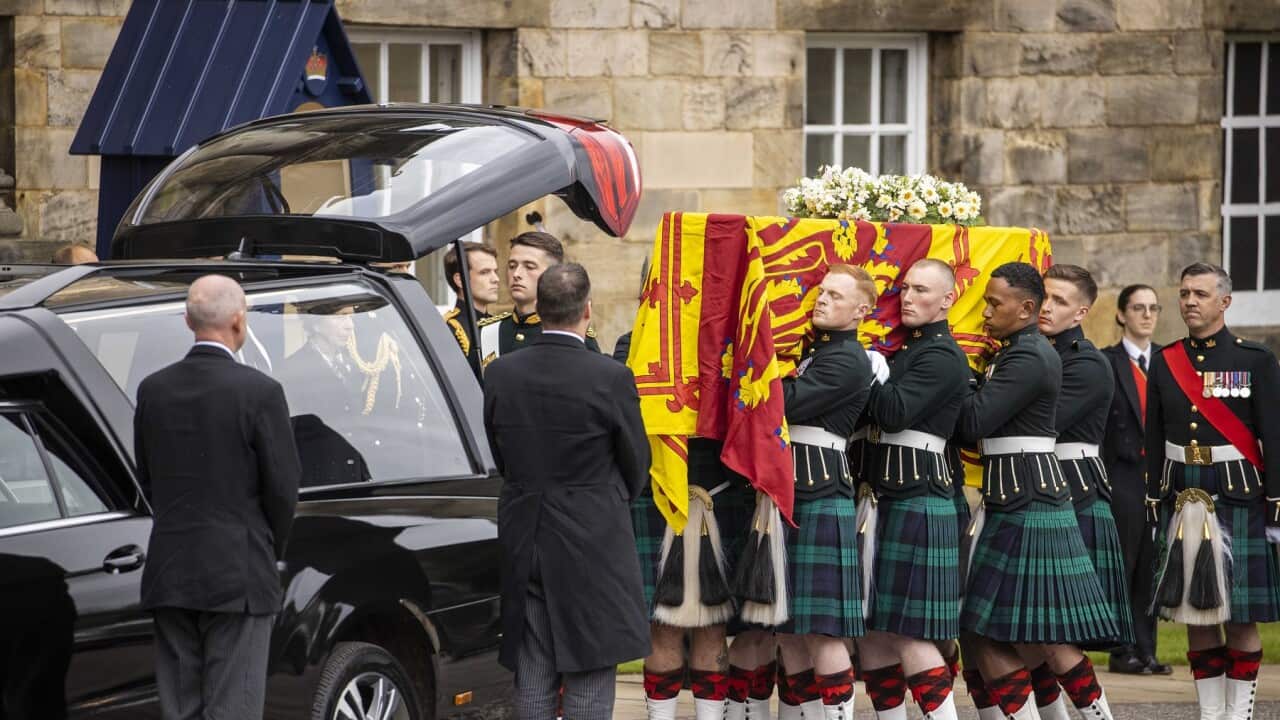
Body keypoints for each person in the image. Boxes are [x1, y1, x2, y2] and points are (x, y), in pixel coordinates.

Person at [483, 263, 651, 720]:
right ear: (587, 311)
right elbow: (637, 461)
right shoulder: (609, 376)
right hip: (591, 536)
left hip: (526, 528)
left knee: (534, 673)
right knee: (590, 676)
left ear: (539, 309)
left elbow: (499, 453)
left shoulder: (501, 374)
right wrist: (604, 499)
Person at [133, 274, 301, 720]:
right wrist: (267, 546)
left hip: (171, 569)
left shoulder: (153, 389)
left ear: (188, 320)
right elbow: (283, 489)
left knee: (181, 710)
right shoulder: (260, 392)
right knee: (234, 709)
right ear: (239, 321)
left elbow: (146, 477)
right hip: (240, 572)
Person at [955, 262, 1117, 720]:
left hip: (1030, 499)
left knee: (1046, 635)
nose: (985, 313)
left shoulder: (1034, 357)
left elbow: (973, 423)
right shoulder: (1019, 352)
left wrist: (952, 373)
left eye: (992, 303)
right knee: (1021, 633)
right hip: (1016, 496)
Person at [1145, 263, 1280, 720]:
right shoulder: (1165, 360)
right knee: (1194, 614)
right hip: (1184, 494)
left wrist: (1276, 504)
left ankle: (1238, 715)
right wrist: (1152, 495)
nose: (1190, 302)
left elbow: (1275, 437)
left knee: (1240, 616)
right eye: (1184, 293)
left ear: (1224, 301)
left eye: (1200, 294)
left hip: (1238, 495)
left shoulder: (1254, 360)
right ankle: (1210, 714)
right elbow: (1153, 435)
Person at [856, 259, 968, 720]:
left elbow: (895, 411)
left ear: (947, 299)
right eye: (904, 288)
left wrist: (861, 368)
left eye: (921, 290)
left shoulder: (941, 355)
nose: (906, 297)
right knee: (876, 629)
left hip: (918, 497)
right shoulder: (911, 351)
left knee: (910, 631)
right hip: (890, 497)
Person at [775, 264, 875, 720]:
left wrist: (762, 375)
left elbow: (788, 403)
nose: (820, 299)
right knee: (790, 627)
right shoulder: (817, 351)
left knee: (823, 629)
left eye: (835, 295)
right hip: (792, 492)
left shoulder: (848, 359)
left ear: (861, 311)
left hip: (819, 492)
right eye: (821, 291)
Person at [1031, 264, 1132, 720]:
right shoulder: (1035, 354)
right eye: (1044, 297)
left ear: (1081, 312)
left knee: (1057, 635)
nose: (1046, 308)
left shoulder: (1087, 363)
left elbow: (1039, 424)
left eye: (1059, 301)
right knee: (1030, 633)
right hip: (1036, 494)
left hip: (1075, 498)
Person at [1102, 284, 1170, 676]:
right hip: (1121, 475)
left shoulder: (1167, 360)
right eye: (1138, 308)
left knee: (1151, 567)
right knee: (1123, 562)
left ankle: (1147, 651)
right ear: (1122, 314)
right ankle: (1121, 649)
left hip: (1156, 479)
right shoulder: (1106, 361)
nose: (1147, 315)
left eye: (1153, 308)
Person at [477, 232, 600, 370]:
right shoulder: (486, 332)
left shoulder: (574, 335)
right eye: (512, 266)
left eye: (529, 267)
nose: (516, 274)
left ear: (552, 274)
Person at [442, 241, 501, 377]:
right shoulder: (449, 329)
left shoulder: (499, 325)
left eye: (495, 271)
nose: (496, 279)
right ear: (460, 280)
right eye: (485, 272)